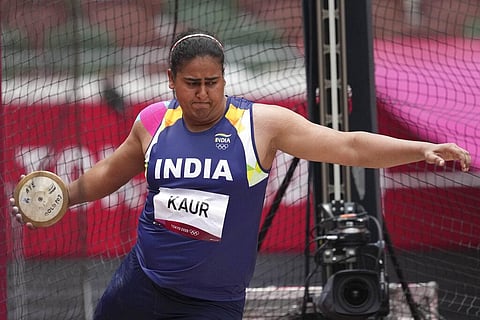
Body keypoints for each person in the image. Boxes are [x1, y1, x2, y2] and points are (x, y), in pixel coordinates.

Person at [10, 29, 471, 319]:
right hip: (141, 284)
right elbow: (107, 174)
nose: (205, 95)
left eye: (214, 82)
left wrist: (421, 148)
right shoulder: (153, 122)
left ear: (224, 79)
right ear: (172, 80)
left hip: (213, 304)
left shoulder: (261, 124)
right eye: (193, 84)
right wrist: (59, 198)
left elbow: (348, 144)